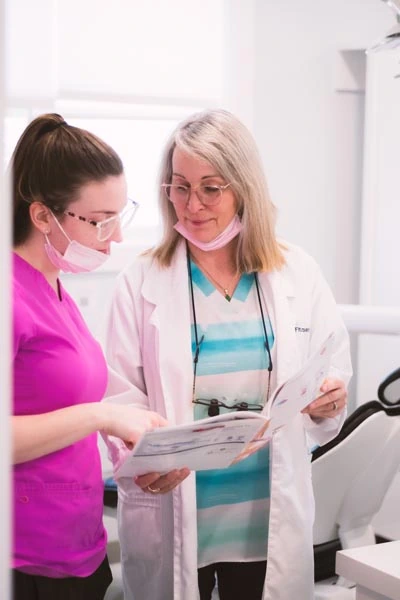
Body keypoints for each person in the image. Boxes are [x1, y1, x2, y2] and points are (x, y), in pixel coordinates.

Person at [104, 109, 352, 600]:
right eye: (179, 187)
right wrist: (140, 457)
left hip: (265, 520)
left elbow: (333, 369)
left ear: (243, 187)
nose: (191, 204)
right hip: (176, 515)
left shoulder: (297, 273)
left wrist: (330, 399)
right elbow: (119, 396)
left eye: (210, 188)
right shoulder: (140, 281)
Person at [11, 113, 168, 600]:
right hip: (25, 558)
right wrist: (103, 414)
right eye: (100, 221)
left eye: (120, 216)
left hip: (76, 546)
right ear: (42, 216)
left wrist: (133, 440)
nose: (116, 237)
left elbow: (54, 402)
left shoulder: (54, 289)